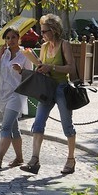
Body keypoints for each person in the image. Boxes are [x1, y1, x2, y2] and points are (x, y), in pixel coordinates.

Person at [22, 13, 78, 176]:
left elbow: (71, 68)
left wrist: (51, 67)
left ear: (54, 30)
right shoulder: (44, 47)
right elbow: (42, 66)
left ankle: (71, 159)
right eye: (41, 31)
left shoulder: (64, 45)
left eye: (44, 31)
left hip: (61, 88)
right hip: (47, 88)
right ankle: (34, 160)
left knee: (67, 126)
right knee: (38, 124)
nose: (42, 34)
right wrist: (40, 67)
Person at [0, 26, 38, 171]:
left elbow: (31, 76)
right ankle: (19, 158)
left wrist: (20, 70)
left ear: (19, 38)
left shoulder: (25, 54)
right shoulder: (4, 54)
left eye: (13, 37)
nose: (10, 40)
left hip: (17, 94)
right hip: (3, 94)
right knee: (14, 128)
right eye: (8, 38)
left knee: (5, 127)